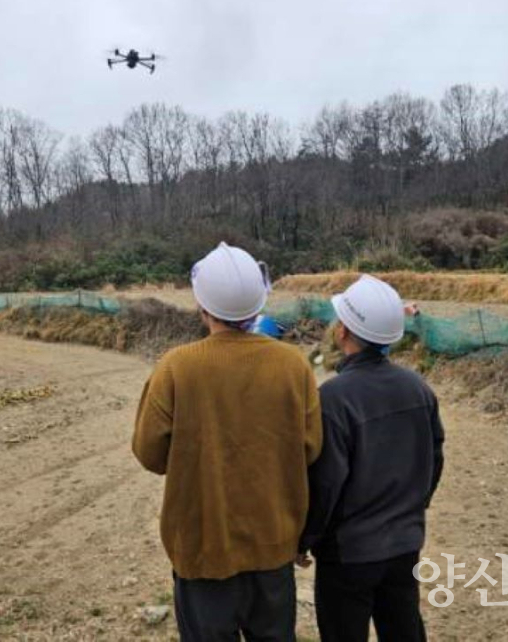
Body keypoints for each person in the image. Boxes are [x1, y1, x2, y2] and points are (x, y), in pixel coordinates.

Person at [132, 242, 323, 641]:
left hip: (202, 550)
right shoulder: (294, 365)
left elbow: (150, 453)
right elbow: (310, 448)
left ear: (203, 307)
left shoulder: (176, 367)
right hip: (273, 545)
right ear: (258, 305)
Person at [298, 274, 444, 642]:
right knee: (404, 627)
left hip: (348, 553)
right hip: (404, 542)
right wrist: (413, 509)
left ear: (343, 331)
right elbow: (434, 460)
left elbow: (326, 482)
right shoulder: (418, 388)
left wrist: (304, 538)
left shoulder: (334, 398)